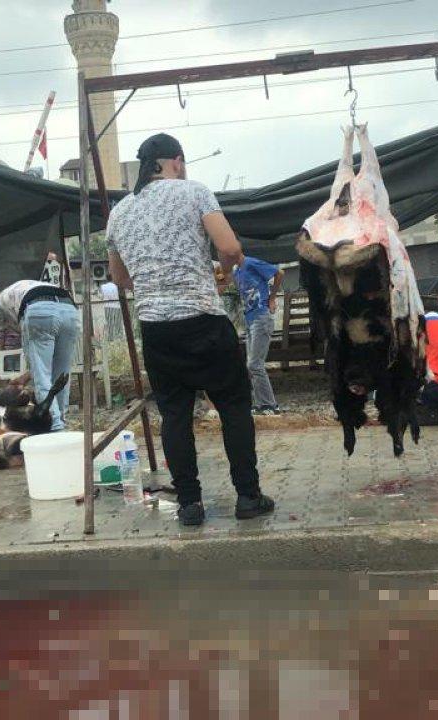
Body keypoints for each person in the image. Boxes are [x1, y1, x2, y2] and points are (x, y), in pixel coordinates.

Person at [106, 132, 273, 526]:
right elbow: (230, 248)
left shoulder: (119, 213)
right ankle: (248, 496)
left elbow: (119, 277)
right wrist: (222, 272)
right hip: (203, 320)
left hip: (157, 330)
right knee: (233, 407)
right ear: (175, 161)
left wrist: (154, 282)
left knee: (175, 415)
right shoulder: (194, 192)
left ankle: (190, 504)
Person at [0, 278, 79, 432]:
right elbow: (48, 361)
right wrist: (24, 378)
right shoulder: (17, 298)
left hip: (38, 307)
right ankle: (60, 422)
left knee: (43, 379)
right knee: (61, 376)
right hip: (69, 308)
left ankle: (55, 428)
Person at [229, 255, 283, 415]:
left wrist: (272, 298)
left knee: (255, 364)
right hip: (249, 319)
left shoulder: (250, 263)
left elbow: (279, 273)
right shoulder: (237, 271)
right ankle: (261, 404)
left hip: (261, 317)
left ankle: (270, 405)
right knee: (251, 365)